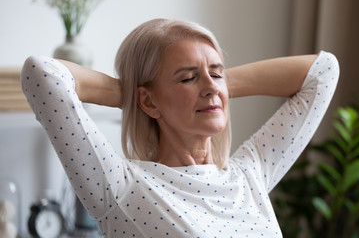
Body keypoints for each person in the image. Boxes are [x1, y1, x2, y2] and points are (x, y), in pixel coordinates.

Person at [21, 18, 339, 237]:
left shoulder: (249, 174)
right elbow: (42, 74)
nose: (211, 87)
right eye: (187, 77)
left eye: (217, 73)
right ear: (149, 102)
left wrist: (216, 85)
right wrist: (130, 94)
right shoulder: (122, 188)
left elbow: (323, 72)